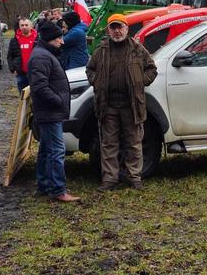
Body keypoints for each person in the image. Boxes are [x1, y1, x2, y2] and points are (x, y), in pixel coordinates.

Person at [86, 14, 157, 191]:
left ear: (126, 29)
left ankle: (134, 178)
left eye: (120, 27)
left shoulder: (138, 49)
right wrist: (97, 81)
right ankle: (110, 179)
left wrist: (141, 81)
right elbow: (90, 70)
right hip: (108, 106)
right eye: (113, 27)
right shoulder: (101, 50)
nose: (117, 31)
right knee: (109, 144)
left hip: (131, 105)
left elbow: (152, 69)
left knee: (133, 143)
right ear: (108, 30)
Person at [28, 21, 80, 202]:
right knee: (57, 151)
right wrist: (58, 101)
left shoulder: (44, 54)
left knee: (45, 150)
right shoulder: (42, 57)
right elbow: (39, 87)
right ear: (50, 38)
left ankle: (44, 185)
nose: (62, 42)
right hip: (49, 112)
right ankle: (58, 190)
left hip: (48, 112)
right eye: (59, 38)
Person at [7, 17, 37, 94]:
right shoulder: (14, 40)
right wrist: (13, 68)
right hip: (21, 73)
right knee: (23, 95)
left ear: (31, 26)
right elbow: (10, 56)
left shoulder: (37, 39)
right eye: (22, 25)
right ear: (19, 27)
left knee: (36, 94)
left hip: (35, 72)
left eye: (26, 25)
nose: (24, 27)